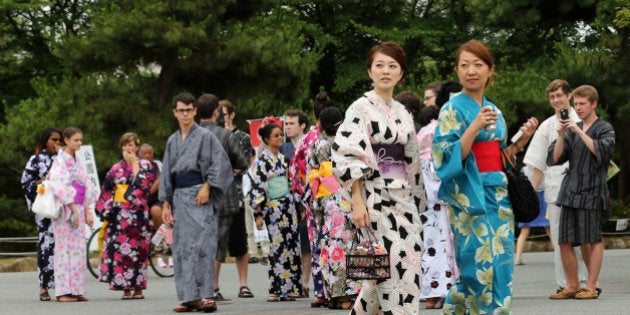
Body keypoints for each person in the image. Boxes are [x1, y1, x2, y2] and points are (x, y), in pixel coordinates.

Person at [432, 40, 538, 313]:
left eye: (478, 65)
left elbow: (501, 156)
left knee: (501, 266)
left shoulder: (496, 110)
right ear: (456, 70)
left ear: (491, 71)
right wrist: (474, 126)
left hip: (499, 197)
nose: (471, 71)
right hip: (470, 198)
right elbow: (444, 159)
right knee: (477, 268)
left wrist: (521, 141)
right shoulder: (451, 110)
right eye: (464, 65)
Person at [331, 41, 426, 314]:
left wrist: (418, 200)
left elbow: (412, 160)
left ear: (401, 73)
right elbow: (347, 155)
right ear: (370, 71)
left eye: (392, 66)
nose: (386, 71)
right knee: (391, 270)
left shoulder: (403, 112)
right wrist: (357, 201)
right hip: (374, 197)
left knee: (394, 268)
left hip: (403, 199)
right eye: (380, 65)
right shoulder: (359, 108)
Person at [159, 92, 234, 313]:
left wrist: (208, 185)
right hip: (179, 198)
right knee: (182, 247)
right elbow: (166, 174)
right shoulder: (172, 141)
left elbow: (221, 163)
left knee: (203, 245)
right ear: (175, 112)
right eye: (181, 110)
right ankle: (188, 297)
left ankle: (206, 295)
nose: (185, 114)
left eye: (189, 110)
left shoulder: (205, 136)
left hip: (200, 194)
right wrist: (165, 203)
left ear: (194, 111)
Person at [548, 85, 615, 300]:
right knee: (564, 241)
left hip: (592, 190)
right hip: (570, 190)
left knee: (592, 240)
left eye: (582, 104)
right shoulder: (571, 129)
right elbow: (555, 158)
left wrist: (579, 131)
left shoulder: (605, 128)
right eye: (576, 104)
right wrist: (560, 136)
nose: (578, 108)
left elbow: (602, 152)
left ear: (593, 103)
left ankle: (591, 286)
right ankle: (572, 285)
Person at [523, 79, 589, 291]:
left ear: (569, 95)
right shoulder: (547, 126)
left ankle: (586, 282)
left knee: (584, 238)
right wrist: (529, 193)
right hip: (556, 189)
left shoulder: (584, 120)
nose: (556, 100)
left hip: (582, 188)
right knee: (561, 239)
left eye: (559, 95)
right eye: (552, 97)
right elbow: (536, 163)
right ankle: (565, 284)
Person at [197, 93, 252, 301]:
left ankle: (209, 289)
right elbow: (242, 163)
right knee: (217, 243)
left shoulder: (187, 135)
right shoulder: (226, 136)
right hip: (225, 194)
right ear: (214, 113)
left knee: (210, 243)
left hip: (198, 195)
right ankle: (212, 288)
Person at [307, 106, 359, 310]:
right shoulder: (342, 142)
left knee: (328, 247)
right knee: (343, 247)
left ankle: (331, 293)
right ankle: (344, 295)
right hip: (341, 196)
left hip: (323, 198)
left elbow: (313, 170)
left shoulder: (316, 144)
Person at [95, 132, 157, 299]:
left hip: (138, 213)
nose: (128, 148)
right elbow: (107, 190)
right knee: (121, 252)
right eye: (125, 144)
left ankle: (138, 288)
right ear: (121, 147)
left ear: (137, 147)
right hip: (120, 214)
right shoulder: (115, 169)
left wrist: (133, 164)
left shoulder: (146, 165)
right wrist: (106, 209)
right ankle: (125, 288)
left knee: (139, 250)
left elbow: (145, 184)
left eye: (131, 144)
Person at [246, 120, 302, 302]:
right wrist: (259, 213)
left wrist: (299, 204)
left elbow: (293, 183)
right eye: (276, 135)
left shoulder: (285, 160)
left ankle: (290, 288)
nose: (280, 138)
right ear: (267, 139)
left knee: (292, 246)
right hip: (273, 207)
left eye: (280, 135)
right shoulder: (262, 161)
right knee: (277, 247)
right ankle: (276, 288)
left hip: (289, 205)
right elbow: (258, 187)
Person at [288, 92, 333, 306]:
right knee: (336, 241)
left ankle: (320, 292)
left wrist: (301, 195)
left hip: (314, 194)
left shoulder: (307, 139)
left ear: (315, 116)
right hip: (337, 193)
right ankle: (337, 289)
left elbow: (295, 171)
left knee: (316, 242)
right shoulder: (341, 137)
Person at [48, 127, 98, 302]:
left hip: (78, 205)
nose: (79, 143)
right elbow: (57, 184)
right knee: (64, 249)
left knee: (77, 248)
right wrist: (73, 207)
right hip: (66, 209)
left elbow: (86, 185)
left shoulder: (77, 160)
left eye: (80, 140)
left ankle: (76, 289)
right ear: (66, 140)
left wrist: (87, 210)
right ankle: (63, 291)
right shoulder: (61, 161)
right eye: (76, 140)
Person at [416, 105, 456, 309]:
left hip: (424, 205)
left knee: (429, 247)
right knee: (446, 246)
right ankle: (446, 291)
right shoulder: (439, 142)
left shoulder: (420, 148)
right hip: (443, 204)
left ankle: (430, 294)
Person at [218, 99, 266, 265]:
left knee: (248, 221)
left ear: (232, 115)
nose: (220, 117)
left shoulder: (243, 137)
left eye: (223, 113)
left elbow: (242, 165)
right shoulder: (213, 136)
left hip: (241, 188)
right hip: (219, 190)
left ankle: (257, 252)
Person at [21, 127, 62, 301]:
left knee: (65, 248)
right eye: (54, 140)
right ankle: (43, 287)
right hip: (46, 209)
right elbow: (25, 182)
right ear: (45, 141)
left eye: (60, 140)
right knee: (46, 246)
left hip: (64, 208)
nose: (57, 143)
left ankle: (65, 286)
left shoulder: (66, 158)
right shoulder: (36, 159)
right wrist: (43, 181)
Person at [514, 166, 551, 266]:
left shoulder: (524, 169)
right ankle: (560, 256)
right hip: (543, 198)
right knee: (549, 228)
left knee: (525, 230)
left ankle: (518, 257)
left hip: (529, 199)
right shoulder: (545, 168)